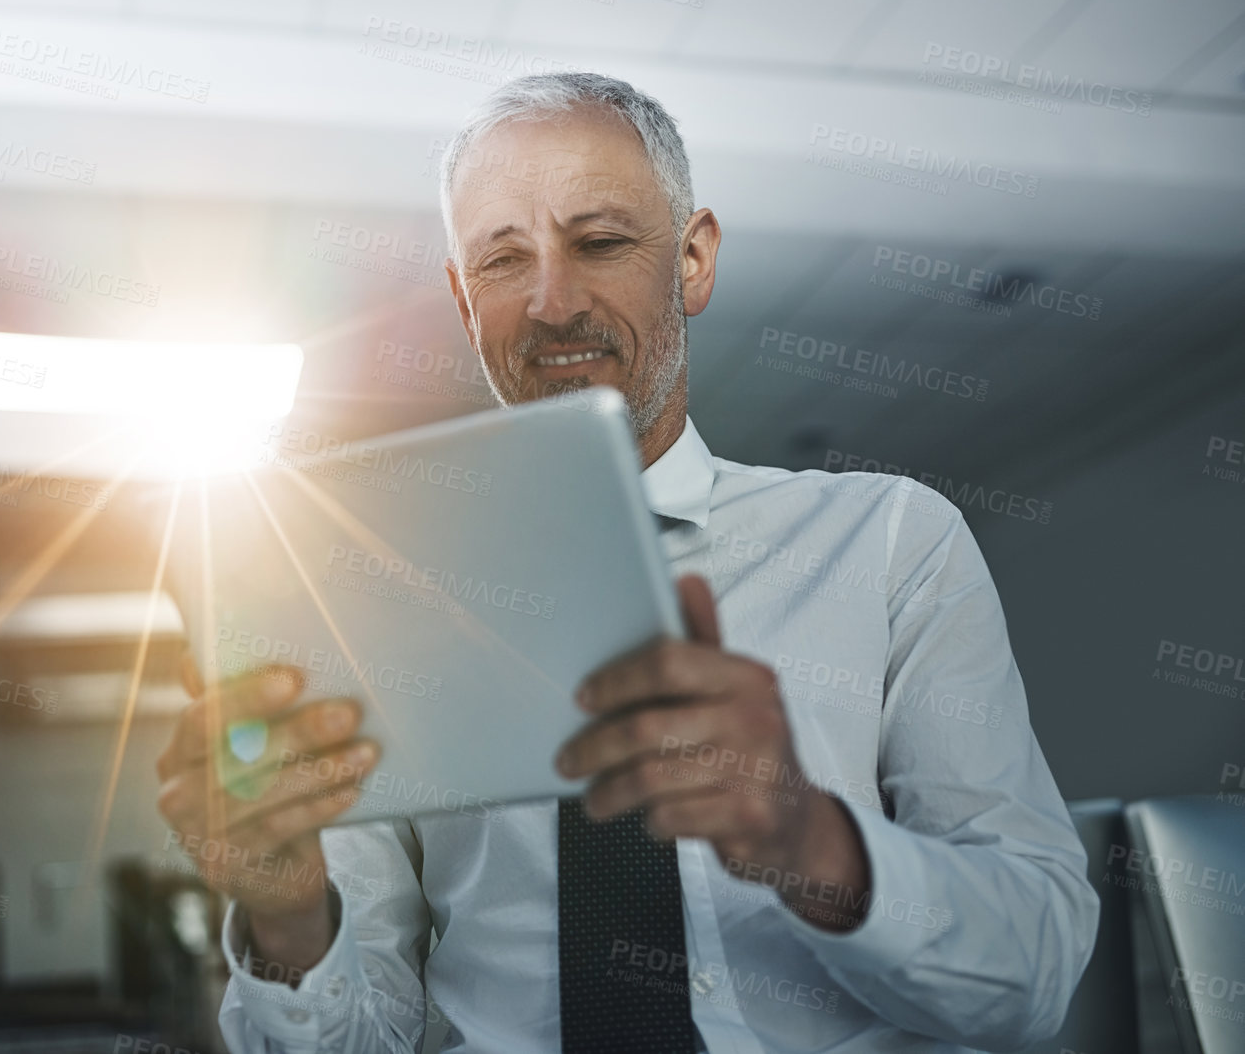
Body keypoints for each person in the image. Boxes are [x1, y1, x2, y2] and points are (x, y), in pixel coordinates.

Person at [154, 72, 1099, 1052]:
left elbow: (1031, 984)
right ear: (460, 298)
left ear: (692, 260)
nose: (552, 302)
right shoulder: (367, 603)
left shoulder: (894, 542)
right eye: (502, 260)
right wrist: (285, 914)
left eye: (600, 242)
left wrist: (803, 836)